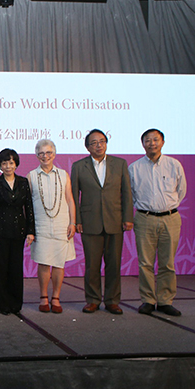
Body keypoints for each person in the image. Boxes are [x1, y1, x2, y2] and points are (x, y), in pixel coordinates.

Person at [71, 129, 134, 315]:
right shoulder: (78, 166)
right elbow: (74, 195)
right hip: (89, 222)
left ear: (106, 143)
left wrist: (128, 217)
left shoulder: (120, 164)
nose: (98, 145)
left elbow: (126, 193)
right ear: (87, 147)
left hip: (115, 220)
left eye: (102, 141)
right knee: (92, 264)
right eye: (94, 142)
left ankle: (113, 300)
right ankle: (92, 300)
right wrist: (77, 220)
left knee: (114, 264)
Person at [129, 128, 187, 317]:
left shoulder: (174, 164)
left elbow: (181, 190)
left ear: (162, 142)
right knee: (145, 263)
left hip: (170, 218)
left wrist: (168, 207)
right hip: (145, 218)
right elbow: (131, 194)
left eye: (155, 140)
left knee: (167, 263)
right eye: (148, 140)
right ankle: (147, 300)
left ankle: (165, 301)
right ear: (142, 144)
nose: (152, 143)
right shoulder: (134, 168)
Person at [28, 139, 76, 314]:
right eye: (41, 153)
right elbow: (27, 204)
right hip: (40, 225)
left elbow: (70, 200)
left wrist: (72, 222)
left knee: (58, 264)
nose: (45, 156)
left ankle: (56, 296)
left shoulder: (63, 174)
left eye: (48, 152)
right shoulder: (31, 176)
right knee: (43, 262)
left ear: (54, 154)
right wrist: (29, 229)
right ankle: (43, 297)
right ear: (36, 155)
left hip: (61, 224)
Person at [0, 148, 35, 316]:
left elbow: (29, 207)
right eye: (4, 163)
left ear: (16, 164)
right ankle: (3, 304)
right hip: (0, 230)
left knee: (16, 268)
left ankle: (16, 303)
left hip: (19, 230)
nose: (8, 166)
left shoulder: (23, 182)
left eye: (11, 163)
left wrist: (31, 231)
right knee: (1, 268)